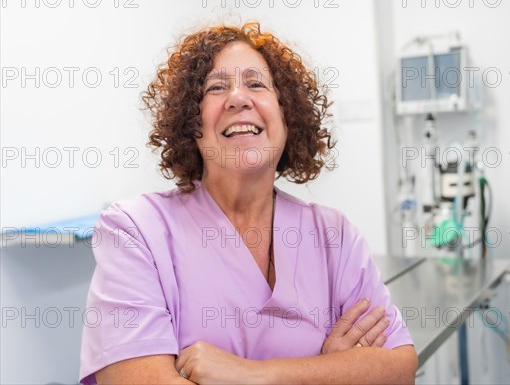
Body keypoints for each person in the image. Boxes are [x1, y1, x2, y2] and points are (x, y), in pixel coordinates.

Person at [79, 21, 417, 384]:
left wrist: (253, 374)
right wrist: (327, 370)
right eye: (216, 87)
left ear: (288, 117)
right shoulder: (135, 231)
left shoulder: (334, 235)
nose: (238, 98)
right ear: (191, 123)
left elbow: (398, 368)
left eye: (256, 84)